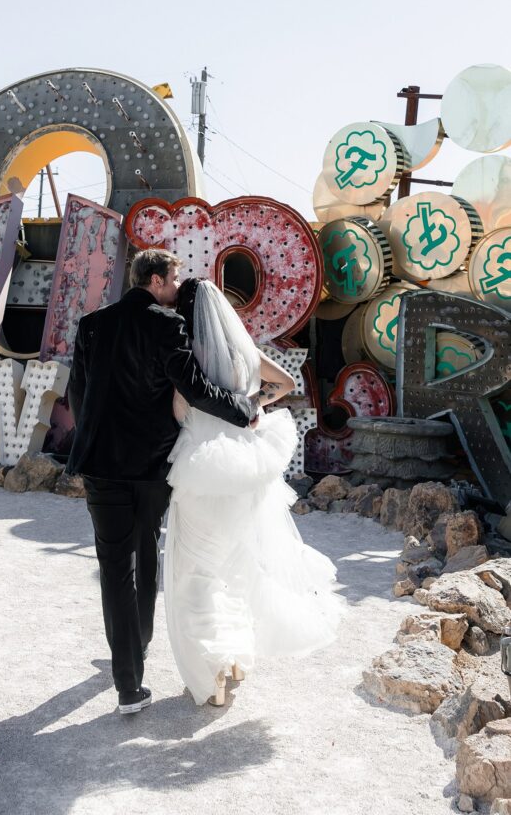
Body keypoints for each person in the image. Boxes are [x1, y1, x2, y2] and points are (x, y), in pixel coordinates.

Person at [65, 250, 259, 715]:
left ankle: (128, 682)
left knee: (115, 568)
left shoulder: (92, 324)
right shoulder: (165, 324)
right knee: (147, 556)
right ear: (156, 280)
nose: (178, 288)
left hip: (99, 464)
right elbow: (192, 386)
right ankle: (141, 643)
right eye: (174, 279)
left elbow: (77, 391)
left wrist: (91, 435)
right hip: (150, 465)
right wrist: (242, 411)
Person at [164, 277, 343, 706]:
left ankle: (219, 669)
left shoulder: (190, 358)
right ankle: (239, 660)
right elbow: (284, 384)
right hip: (246, 467)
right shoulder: (245, 351)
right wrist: (254, 404)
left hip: (203, 471)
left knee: (197, 573)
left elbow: (178, 410)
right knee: (238, 564)